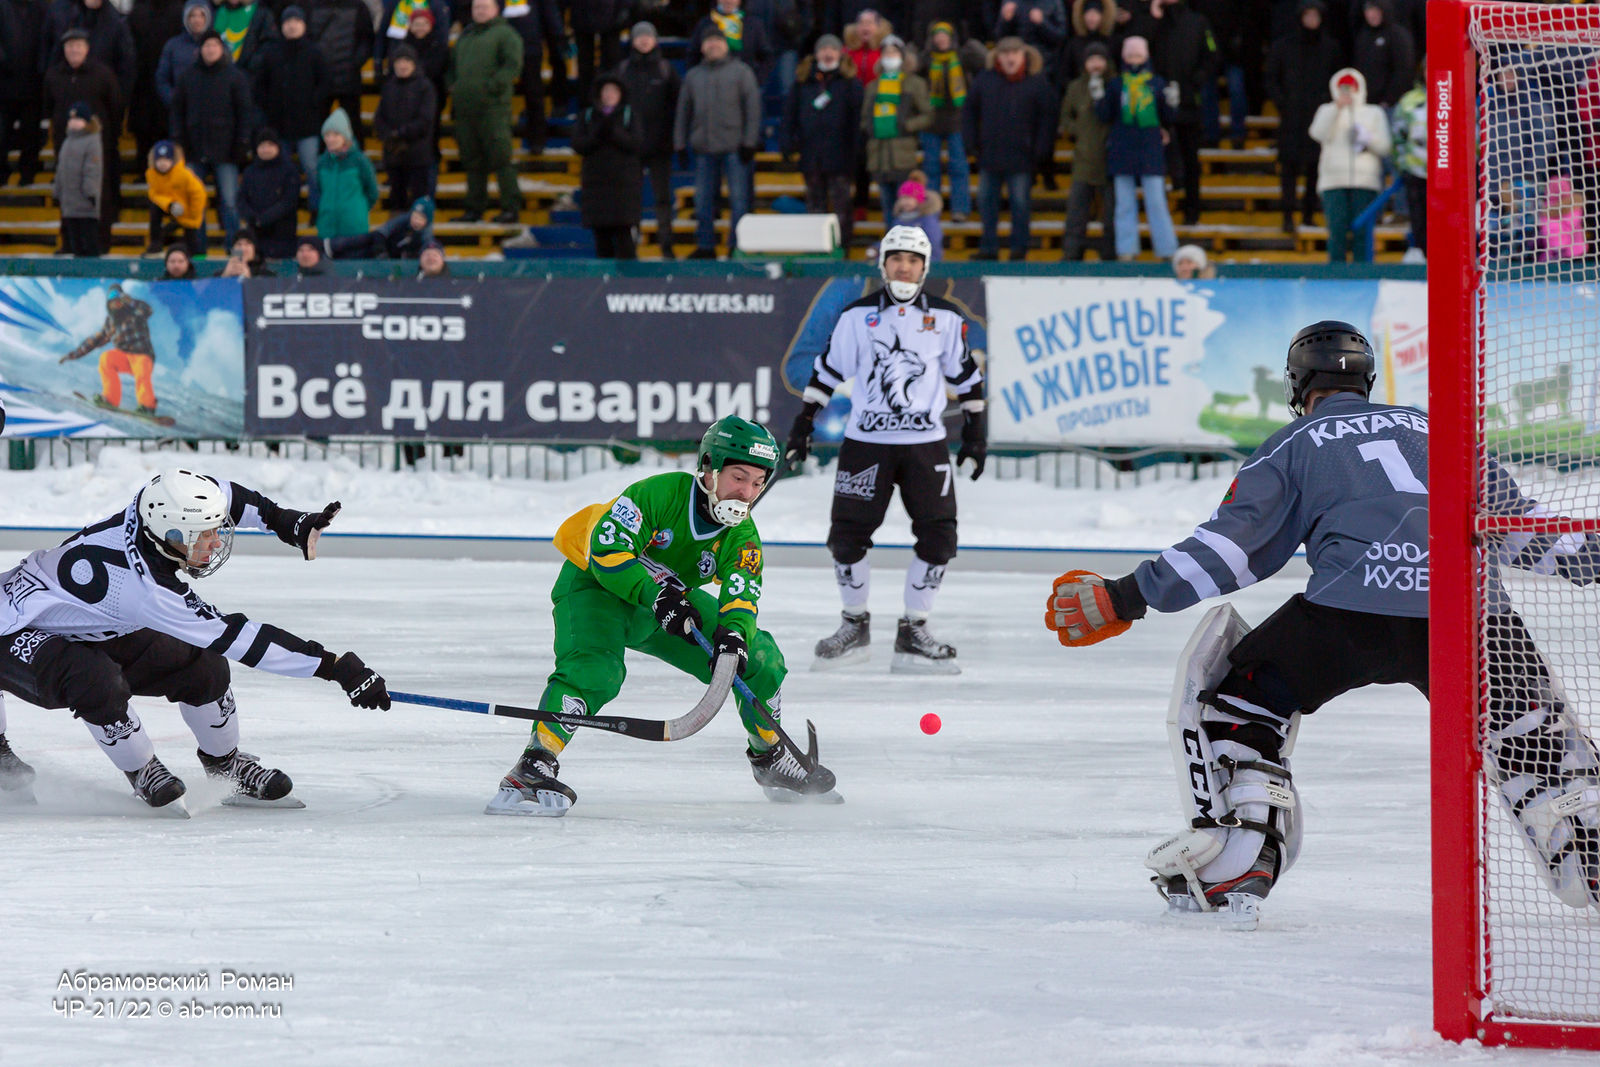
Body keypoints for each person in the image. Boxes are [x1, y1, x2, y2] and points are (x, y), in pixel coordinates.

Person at [1043, 321, 1600, 924]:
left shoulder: (1296, 442)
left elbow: (1235, 548)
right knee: (1529, 724)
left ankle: (1244, 855)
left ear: (1299, 384)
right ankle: (1589, 843)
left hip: (1349, 617)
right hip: (1470, 618)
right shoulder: (1441, 431)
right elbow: (1525, 527)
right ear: (1366, 380)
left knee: (1241, 702)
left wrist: (1128, 595)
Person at [485, 417, 840, 817]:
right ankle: (534, 763)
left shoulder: (742, 535)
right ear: (709, 466)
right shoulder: (660, 493)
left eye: (758, 483)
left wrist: (735, 634)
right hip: (595, 590)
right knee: (595, 672)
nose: (747, 493)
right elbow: (607, 551)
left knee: (759, 658)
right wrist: (657, 596)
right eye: (739, 477)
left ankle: (770, 757)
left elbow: (742, 592)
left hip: (664, 607)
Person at [0, 470, 389, 810]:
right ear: (172, 536)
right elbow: (241, 639)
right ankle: (140, 769)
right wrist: (334, 667)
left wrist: (284, 520)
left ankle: (226, 764)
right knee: (94, 679)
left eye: (216, 531)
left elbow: (226, 496)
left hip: (77, 620)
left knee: (201, 665)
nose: (217, 543)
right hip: (11, 632)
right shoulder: (148, 590)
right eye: (204, 537)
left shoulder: (150, 508)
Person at [786, 224, 985, 673]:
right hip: (866, 444)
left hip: (925, 446)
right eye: (897, 258)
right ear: (884, 264)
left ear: (925, 267)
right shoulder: (856, 317)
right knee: (847, 536)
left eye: (914, 260)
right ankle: (854, 624)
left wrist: (977, 434)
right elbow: (825, 373)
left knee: (939, 536)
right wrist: (802, 426)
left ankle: (914, 629)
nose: (904, 267)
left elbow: (968, 379)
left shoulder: (947, 318)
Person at [964, 36, 1056, 261]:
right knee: (986, 203)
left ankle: (1019, 248)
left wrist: (1041, 150)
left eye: (1014, 53)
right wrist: (971, 143)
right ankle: (988, 248)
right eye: (1005, 54)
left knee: (1020, 204)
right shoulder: (985, 80)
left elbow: (1048, 119)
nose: (1010, 58)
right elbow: (969, 111)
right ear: (998, 57)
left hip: (1022, 157)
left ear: (1023, 55)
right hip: (990, 155)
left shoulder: (1037, 82)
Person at [1125, 0, 1217, 226]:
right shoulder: (1152, 21)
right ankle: (1155, 213)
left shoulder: (1198, 21)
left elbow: (1212, 54)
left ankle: (1192, 208)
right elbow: (1135, 49)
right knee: (1155, 157)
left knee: (1190, 157)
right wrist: (1153, 17)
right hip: (1154, 101)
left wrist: (1197, 80)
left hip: (1187, 101)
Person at [675, 29, 761, 259]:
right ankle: (705, 245)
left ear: (726, 45)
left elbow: (753, 109)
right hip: (704, 148)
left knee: (739, 200)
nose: (713, 45)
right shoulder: (693, 75)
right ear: (702, 47)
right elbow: (683, 111)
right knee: (702, 200)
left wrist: (749, 142)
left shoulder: (741, 72)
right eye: (709, 41)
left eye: (718, 41)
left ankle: (737, 246)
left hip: (735, 147)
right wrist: (680, 144)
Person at [169, 28, 253, 249]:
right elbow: (177, 111)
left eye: (215, 45)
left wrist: (241, 145)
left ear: (222, 49)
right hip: (194, 150)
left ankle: (234, 250)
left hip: (226, 152)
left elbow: (245, 113)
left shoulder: (235, 77)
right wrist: (179, 142)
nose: (210, 50)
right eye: (206, 46)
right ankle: (198, 250)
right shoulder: (188, 77)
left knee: (230, 202)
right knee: (195, 202)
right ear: (200, 50)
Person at [1096, 34, 1177, 261]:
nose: (1134, 59)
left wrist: (1172, 101)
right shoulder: (1116, 84)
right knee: (1124, 205)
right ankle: (1126, 250)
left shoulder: (1157, 84)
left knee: (1157, 203)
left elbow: (1168, 117)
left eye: (1138, 54)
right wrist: (1098, 98)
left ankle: (1167, 249)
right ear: (1123, 56)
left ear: (1146, 55)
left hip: (1150, 148)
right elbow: (1105, 115)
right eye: (1130, 54)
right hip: (1122, 149)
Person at [1266, 0, 1342, 233]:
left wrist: (1328, 107)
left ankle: (1309, 214)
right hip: (1291, 118)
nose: (1311, 20)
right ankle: (1287, 216)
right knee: (1288, 169)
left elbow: (1336, 80)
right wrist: (1283, 103)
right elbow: (1271, 78)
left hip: (1319, 119)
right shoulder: (1283, 46)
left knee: (1314, 169)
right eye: (1307, 15)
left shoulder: (1331, 48)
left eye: (1315, 16)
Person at [447, 0, 523, 224]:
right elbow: (451, 67)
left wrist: (492, 87)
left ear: (496, 9)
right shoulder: (466, 36)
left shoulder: (505, 34)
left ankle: (511, 207)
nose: (479, 11)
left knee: (501, 158)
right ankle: (474, 208)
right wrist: (452, 85)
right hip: (465, 110)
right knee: (472, 161)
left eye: (484, 6)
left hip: (493, 109)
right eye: (476, 7)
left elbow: (512, 65)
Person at [42, 27, 120, 249]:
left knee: (96, 195)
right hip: (65, 145)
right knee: (67, 193)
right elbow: (48, 106)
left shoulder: (103, 74)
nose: (74, 50)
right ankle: (69, 242)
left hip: (97, 145)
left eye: (78, 45)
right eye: (69, 46)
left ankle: (99, 242)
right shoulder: (54, 75)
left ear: (87, 48)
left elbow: (115, 106)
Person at [784, 32, 861, 250]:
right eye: (823, 49)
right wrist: (788, 141)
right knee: (814, 205)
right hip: (812, 155)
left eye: (832, 49)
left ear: (840, 53)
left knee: (841, 206)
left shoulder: (850, 83)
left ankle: (842, 247)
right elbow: (790, 115)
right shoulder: (802, 83)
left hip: (840, 156)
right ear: (816, 54)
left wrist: (856, 152)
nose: (827, 53)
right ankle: (816, 246)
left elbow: (857, 121)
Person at [1309, 67, 1390, 264]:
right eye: (1343, 88)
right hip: (1333, 181)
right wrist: (1337, 108)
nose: (1347, 92)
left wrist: (1367, 138)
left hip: (1365, 181)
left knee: (1363, 233)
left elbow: (1386, 147)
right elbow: (1317, 134)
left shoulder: (1374, 112)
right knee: (1337, 231)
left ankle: (1363, 275)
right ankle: (1336, 275)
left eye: (1351, 87)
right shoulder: (1326, 110)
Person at [616, 21, 681, 259]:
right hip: (631, 147)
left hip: (660, 146)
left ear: (655, 40)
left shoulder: (666, 69)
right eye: (639, 36)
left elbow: (678, 107)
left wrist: (673, 138)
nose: (644, 40)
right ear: (632, 40)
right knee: (631, 199)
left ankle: (667, 245)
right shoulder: (623, 70)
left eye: (648, 36)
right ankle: (630, 246)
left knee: (662, 198)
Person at [253, 6, 327, 213]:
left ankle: (316, 209)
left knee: (311, 168)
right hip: (279, 125)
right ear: (281, 26)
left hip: (307, 125)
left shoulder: (314, 52)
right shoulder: (272, 52)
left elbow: (324, 83)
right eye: (287, 22)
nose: (292, 26)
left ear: (304, 25)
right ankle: (287, 208)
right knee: (283, 172)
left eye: (296, 21)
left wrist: (313, 102)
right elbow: (260, 85)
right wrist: (269, 106)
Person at [58, 283, 162, 415]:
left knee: (141, 370)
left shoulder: (135, 312)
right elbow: (94, 340)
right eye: (112, 301)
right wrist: (72, 355)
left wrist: (132, 302)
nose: (116, 303)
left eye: (119, 300)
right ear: (108, 304)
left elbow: (148, 310)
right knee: (106, 358)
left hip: (142, 355)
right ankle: (110, 399)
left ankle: (147, 406)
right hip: (124, 357)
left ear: (123, 300)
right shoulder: (111, 322)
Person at [572, 74, 643, 260]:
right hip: (596, 187)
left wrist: (613, 131)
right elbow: (579, 145)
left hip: (623, 187)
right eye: (606, 91)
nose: (610, 95)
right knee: (601, 239)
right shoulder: (587, 116)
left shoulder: (629, 115)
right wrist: (598, 133)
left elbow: (636, 143)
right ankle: (604, 282)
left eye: (614, 91)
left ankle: (629, 282)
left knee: (624, 237)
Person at [861, 35, 929, 224]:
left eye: (894, 52)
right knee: (887, 206)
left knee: (907, 207)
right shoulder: (873, 86)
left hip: (903, 156)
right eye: (885, 52)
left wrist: (907, 125)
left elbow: (927, 114)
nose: (889, 56)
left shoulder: (914, 83)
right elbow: (864, 118)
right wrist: (872, 128)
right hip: (879, 156)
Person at [1060, 39, 1115, 260]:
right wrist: (1078, 130)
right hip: (1083, 159)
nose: (1096, 64)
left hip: (1110, 160)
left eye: (1100, 59)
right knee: (1076, 214)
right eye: (1091, 59)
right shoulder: (1076, 87)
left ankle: (1110, 255)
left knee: (1111, 215)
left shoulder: (1114, 85)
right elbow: (1066, 117)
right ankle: (1072, 254)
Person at [375, 43, 437, 210]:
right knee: (396, 199)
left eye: (406, 61)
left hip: (417, 154)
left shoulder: (425, 87)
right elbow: (379, 116)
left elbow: (425, 119)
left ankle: (420, 235)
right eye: (398, 61)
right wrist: (388, 134)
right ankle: (398, 234)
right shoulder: (389, 86)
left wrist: (401, 133)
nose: (402, 65)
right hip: (394, 154)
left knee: (419, 202)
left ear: (414, 63)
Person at [919, 20, 970, 221]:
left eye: (945, 35)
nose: (941, 39)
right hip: (931, 121)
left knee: (958, 166)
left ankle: (960, 209)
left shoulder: (962, 57)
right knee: (931, 167)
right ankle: (932, 209)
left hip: (956, 120)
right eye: (937, 35)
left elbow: (982, 58)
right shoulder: (925, 60)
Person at [307, 0, 374, 145]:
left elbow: (367, 40)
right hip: (321, 78)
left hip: (348, 77)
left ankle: (356, 161)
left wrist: (355, 63)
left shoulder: (358, 6)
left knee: (353, 124)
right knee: (320, 125)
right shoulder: (311, 5)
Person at [0, 0, 46, 186]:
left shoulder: (42, 8)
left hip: (33, 84)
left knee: (31, 133)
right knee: (2, 133)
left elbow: (47, 37)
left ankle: (28, 173)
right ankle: (2, 172)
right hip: (4, 84)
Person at [236, 128, 301, 260]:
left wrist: (266, 217)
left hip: (282, 233)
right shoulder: (250, 171)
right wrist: (252, 216)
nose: (266, 149)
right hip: (256, 232)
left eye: (270, 145)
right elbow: (241, 198)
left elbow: (289, 200)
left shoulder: (289, 170)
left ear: (277, 147)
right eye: (262, 146)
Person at [316, 107, 379, 241]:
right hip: (327, 228)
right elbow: (320, 189)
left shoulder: (359, 160)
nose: (330, 139)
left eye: (335, 134)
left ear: (345, 136)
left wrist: (358, 210)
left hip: (354, 228)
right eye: (327, 135)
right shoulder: (322, 162)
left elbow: (372, 192)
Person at [54, 99, 102, 256]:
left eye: (78, 119)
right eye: (71, 119)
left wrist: (90, 192)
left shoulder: (92, 141)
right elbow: (61, 169)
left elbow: (92, 169)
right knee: (75, 243)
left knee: (89, 241)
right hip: (69, 202)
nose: (73, 122)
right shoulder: (67, 141)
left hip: (86, 202)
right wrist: (57, 190)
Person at [145, 139, 207, 255]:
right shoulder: (151, 174)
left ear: (173, 160)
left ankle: (195, 253)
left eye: (167, 159)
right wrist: (170, 204)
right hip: (170, 207)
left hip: (189, 209)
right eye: (159, 160)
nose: (163, 163)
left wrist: (192, 215)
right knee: (154, 208)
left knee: (192, 237)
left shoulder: (184, 174)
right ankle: (155, 244)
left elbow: (199, 194)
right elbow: (153, 194)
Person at [690, 0, 774, 85]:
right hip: (710, 85)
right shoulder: (705, 23)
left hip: (744, 85)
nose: (728, 1)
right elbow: (693, 55)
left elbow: (767, 57)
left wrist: (755, 81)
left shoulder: (754, 24)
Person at [1351, 0, 1413, 112]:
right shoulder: (1363, 36)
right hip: (1365, 103)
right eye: (1369, 10)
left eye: (1376, 10)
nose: (1372, 15)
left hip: (1390, 104)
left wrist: (1389, 99)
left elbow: (1404, 69)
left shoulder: (1397, 35)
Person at [326, 195, 435, 259]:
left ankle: (337, 258)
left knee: (359, 255)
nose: (416, 220)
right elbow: (383, 231)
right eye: (415, 216)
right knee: (363, 239)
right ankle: (332, 245)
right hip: (381, 241)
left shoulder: (425, 235)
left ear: (427, 221)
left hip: (392, 253)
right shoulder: (403, 219)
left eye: (421, 218)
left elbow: (424, 250)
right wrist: (380, 248)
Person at [1390, 74, 1424, 260]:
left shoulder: (1455, 93)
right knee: (1417, 214)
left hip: (1447, 172)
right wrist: (1403, 163)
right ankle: (1418, 251)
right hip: (1416, 168)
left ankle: (1445, 254)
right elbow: (1398, 134)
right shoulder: (1410, 100)